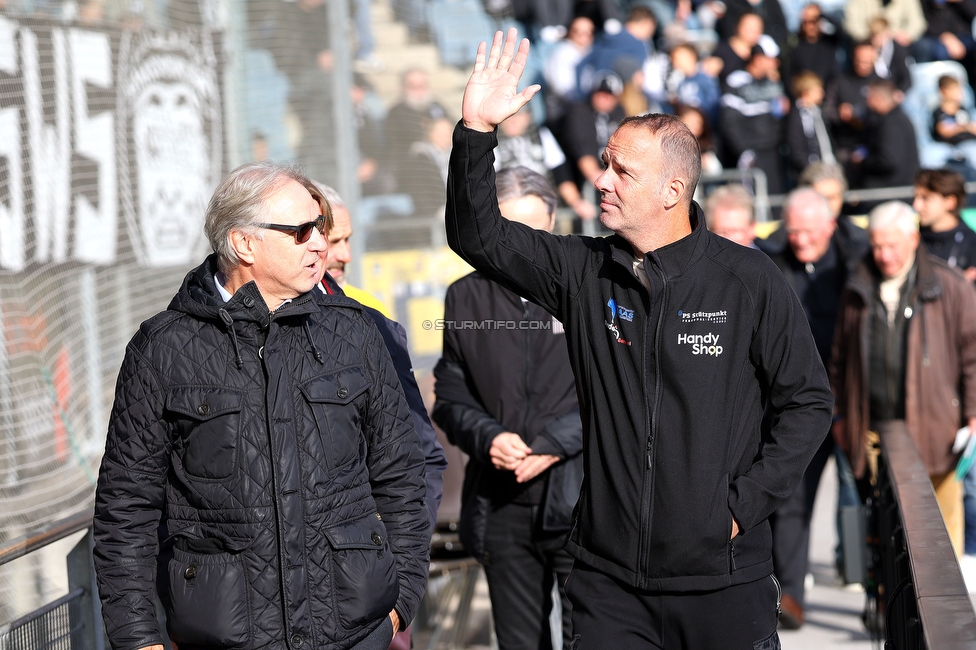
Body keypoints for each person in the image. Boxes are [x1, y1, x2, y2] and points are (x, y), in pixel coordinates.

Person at [448, 29, 833, 649]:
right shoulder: (583, 270)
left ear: (672, 191)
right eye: (606, 164)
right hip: (609, 585)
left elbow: (808, 402)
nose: (603, 181)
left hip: (722, 581)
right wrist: (475, 131)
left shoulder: (747, 279)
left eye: (622, 171)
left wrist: (741, 507)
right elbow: (478, 236)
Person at [92, 162, 432, 650]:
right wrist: (138, 639)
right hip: (224, 637)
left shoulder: (355, 331)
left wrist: (399, 605)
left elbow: (401, 474)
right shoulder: (162, 349)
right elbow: (126, 509)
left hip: (356, 633)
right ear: (244, 243)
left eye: (321, 228)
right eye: (301, 231)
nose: (321, 244)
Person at [432, 166, 583, 650]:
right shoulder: (465, 297)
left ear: (554, 222)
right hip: (501, 504)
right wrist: (488, 437)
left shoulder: (586, 289)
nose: (522, 244)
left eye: (533, 229)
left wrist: (557, 443)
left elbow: (621, 392)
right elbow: (451, 395)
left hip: (582, 500)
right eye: (508, 229)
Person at [830, 200, 976, 555]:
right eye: (877, 245)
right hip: (873, 430)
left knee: (941, 533)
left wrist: (973, 413)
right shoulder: (857, 285)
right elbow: (839, 357)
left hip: (937, 429)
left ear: (913, 239)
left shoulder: (950, 285)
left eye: (892, 245)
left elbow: (973, 355)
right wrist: (839, 416)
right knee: (888, 530)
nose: (884, 255)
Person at [765, 188, 868, 629]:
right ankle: (789, 594)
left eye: (808, 231)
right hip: (796, 403)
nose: (800, 239)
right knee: (792, 499)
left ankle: (880, 594)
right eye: (793, 231)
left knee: (867, 497)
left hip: (851, 401)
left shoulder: (856, 261)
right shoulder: (771, 261)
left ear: (829, 226)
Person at [719, 42, 790, 194]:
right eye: (771, 59)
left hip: (773, 153)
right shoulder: (736, 81)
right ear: (758, 59)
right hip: (750, 153)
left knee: (775, 198)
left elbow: (779, 116)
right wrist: (744, 150)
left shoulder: (774, 83)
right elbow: (729, 121)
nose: (776, 63)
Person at [851, 79, 919, 189]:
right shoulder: (894, 119)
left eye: (869, 97)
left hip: (890, 190)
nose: (866, 102)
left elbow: (888, 160)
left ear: (877, 98)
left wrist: (862, 161)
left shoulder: (892, 123)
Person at [913, 168, 976, 281]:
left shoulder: (971, 245)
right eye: (915, 197)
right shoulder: (912, 239)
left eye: (926, 198)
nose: (916, 205)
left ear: (950, 202)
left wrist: (963, 288)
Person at [785, 71, 835, 178]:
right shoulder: (797, 116)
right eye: (817, 90)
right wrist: (810, 168)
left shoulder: (818, 112)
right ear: (805, 93)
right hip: (811, 172)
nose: (822, 93)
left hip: (826, 167)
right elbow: (796, 148)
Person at [931, 75, 976, 171]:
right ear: (944, 91)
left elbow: (972, 128)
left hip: (970, 142)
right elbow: (943, 131)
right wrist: (961, 127)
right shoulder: (939, 112)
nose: (959, 93)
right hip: (950, 145)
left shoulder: (963, 109)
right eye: (955, 90)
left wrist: (967, 126)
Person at [703, 183, 757, 247]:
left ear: (752, 229)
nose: (730, 239)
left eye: (736, 231)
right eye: (722, 232)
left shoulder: (767, 252)